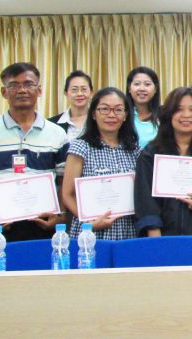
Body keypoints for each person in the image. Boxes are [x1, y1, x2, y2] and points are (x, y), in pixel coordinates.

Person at [0, 62, 68, 266]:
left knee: (44, 280)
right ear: (4, 92)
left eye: (28, 84)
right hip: (0, 224)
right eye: (14, 85)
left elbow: (64, 180)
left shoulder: (57, 133)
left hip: (43, 223)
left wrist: (61, 214)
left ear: (39, 90)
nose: (22, 90)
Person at [134, 88, 192, 237]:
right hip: (163, 235)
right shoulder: (152, 152)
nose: (186, 115)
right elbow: (144, 196)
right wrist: (154, 233)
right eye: (179, 109)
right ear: (169, 114)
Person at [60, 87, 140, 240]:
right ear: (93, 114)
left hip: (128, 230)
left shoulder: (135, 150)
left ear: (125, 115)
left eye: (118, 110)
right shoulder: (80, 147)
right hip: (90, 231)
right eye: (104, 109)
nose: (111, 115)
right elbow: (67, 194)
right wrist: (88, 221)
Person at [49, 70, 93, 142]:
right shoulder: (52, 124)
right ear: (66, 93)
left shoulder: (99, 120)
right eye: (74, 90)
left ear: (91, 93)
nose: (79, 94)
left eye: (84, 89)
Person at [126, 66, 160, 148]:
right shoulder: (123, 115)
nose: (142, 89)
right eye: (137, 84)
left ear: (155, 89)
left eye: (147, 84)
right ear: (129, 88)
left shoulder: (164, 115)